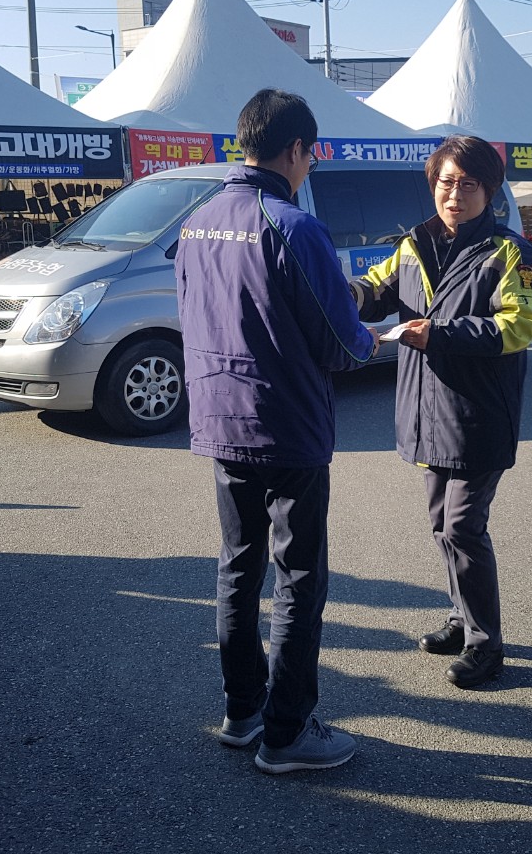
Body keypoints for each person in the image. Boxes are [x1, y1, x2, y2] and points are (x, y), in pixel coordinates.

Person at [175, 89, 378, 773]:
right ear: (295, 150)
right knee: (298, 578)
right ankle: (288, 733)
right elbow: (342, 345)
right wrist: (372, 336)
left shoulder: (197, 223)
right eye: (310, 154)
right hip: (286, 425)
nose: (309, 165)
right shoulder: (293, 225)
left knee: (238, 567)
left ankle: (244, 711)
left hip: (218, 417)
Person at [351, 135, 532, 689]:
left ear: (490, 190)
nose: (454, 195)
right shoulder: (413, 245)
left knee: (462, 526)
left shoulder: (510, 253)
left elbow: (518, 326)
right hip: (426, 412)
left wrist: (438, 334)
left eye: (468, 184)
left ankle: (486, 645)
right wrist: (345, 295)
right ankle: (462, 619)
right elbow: (376, 288)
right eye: (446, 182)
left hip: (479, 414)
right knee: (442, 525)